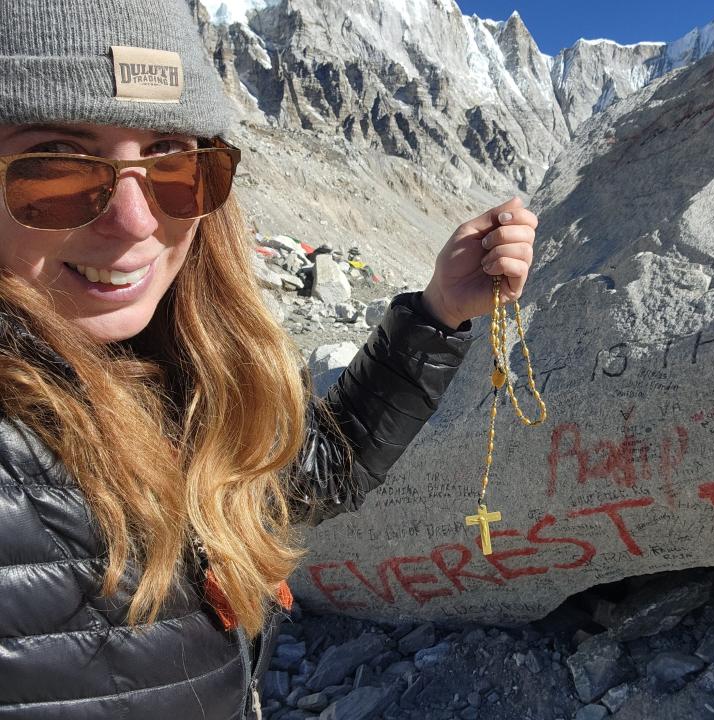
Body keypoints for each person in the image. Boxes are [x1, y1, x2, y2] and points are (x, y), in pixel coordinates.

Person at [0, 1, 537, 717]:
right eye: (57, 171)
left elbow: (309, 476)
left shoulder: (159, 371)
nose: (134, 223)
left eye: (175, 166)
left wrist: (437, 313)